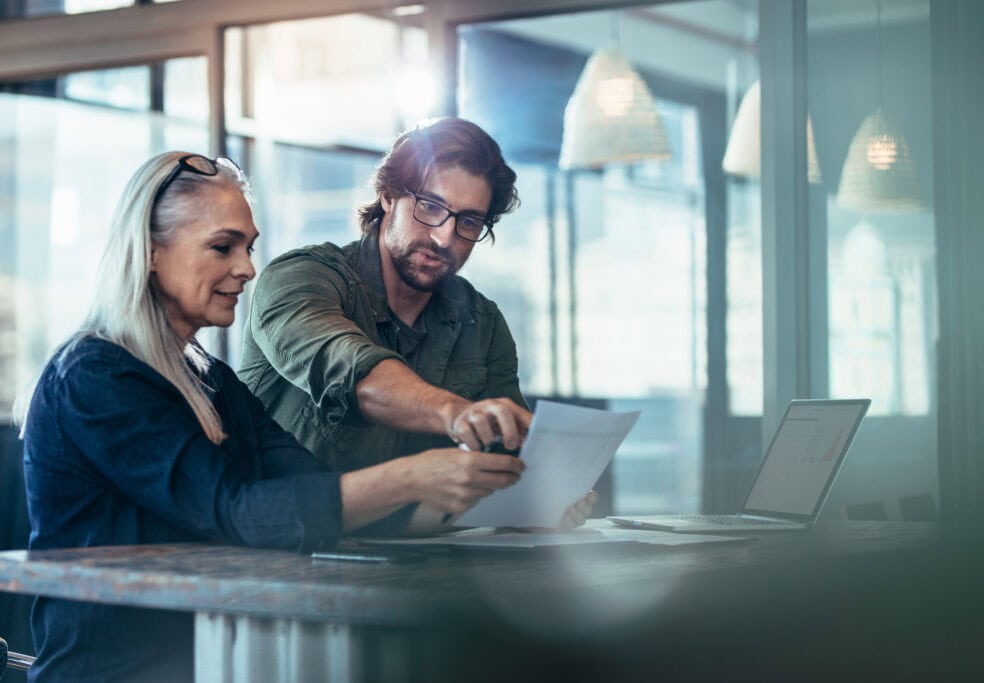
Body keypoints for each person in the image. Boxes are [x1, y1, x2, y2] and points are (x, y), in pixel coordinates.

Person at [17, 151, 527, 682]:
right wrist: (414, 476)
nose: (247, 268)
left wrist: (471, 490)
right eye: (222, 247)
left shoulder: (210, 378)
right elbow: (239, 513)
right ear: (149, 252)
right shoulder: (96, 375)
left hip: (214, 665)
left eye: (248, 247)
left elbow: (314, 487)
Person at [239, 117, 597, 532]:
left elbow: (505, 456)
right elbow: (350, 371)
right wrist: (454, 412)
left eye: (468, 222)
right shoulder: (301, 278)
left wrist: (538, 501)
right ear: (388, 195)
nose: (446, 237)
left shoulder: (482, 322)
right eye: (430, 207)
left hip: (417, 558)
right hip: (283, 555)